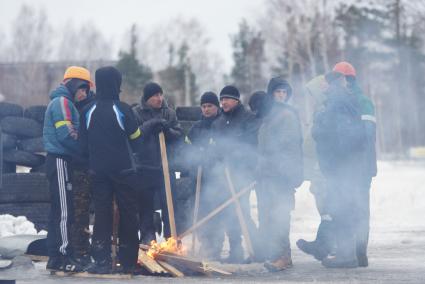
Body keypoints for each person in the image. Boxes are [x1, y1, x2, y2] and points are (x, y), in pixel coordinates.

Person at [79, 66, 142, 274]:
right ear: (117, 84)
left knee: (102, 215)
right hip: (124, 171)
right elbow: (136, 140)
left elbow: (82, 144)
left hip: (98, 172)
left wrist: (93, 163)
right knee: (128, 214)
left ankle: (101, 261)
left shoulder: (87, 110)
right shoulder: (122, 109)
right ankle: (127, 262)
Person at [312, 71, 366, 268]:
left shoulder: (336, 103)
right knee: (344, 208)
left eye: (325, 83)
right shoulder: (348, 100)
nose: (323, 87)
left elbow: (334, 133)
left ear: (332, 83)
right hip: (347, 165)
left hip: (339, 166)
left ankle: (346, 256)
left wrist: (318, 127)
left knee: (340, 209)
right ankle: (347, 254)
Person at [43, 66, 93, 272]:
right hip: (60, 160)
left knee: (57, 211)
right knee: (65, 212)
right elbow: (67, 134)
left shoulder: (64, 102)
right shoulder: (63, 102)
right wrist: (85, 151)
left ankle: (54, 256)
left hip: (60, 161)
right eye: (83, 89)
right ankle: (64, 255)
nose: (84, 94)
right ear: (73, 84)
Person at [255, 78, 304, 272]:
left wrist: (282, 169)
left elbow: (289, 147)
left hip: (282, 175)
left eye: (284, 92)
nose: (282, 95)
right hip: (268, 174)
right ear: (271, 94)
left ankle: (284, 256)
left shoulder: (288, 115)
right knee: (268, 215)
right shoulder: (269, 117)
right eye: (278, 92)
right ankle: (275, 253)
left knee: (280, 216)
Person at [333, 61, 377, 267]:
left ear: (347, 80)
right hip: (357, 166)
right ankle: (358, 253)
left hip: (357, 166)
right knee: (357, 208)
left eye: (338, 78)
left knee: (354, 208)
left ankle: (356, 253)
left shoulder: (361, 102)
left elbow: (367, 135)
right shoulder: (350, 101)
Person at [131, 82, 183, 243]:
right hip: (144, 168)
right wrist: (150, 125)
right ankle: (148, 240)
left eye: (161, 95)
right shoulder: (136, 113)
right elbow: (134, 137)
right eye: (155, 95)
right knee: (145, 207)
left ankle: (172, 239)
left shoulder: (169, 113)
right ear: (147, 98)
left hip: (166, 168)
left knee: (170, 207)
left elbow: (179, 136)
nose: (159, 98)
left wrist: (168, 131)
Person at [211, 85, 258, 263]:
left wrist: (233, 150)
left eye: (227, 99)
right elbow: (216, 146)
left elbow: (251, 143)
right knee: (229, 213)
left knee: (242, 212)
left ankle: (257, 248)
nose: (223, 102)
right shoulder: (219, 122)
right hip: (224, 173)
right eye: (221, 99)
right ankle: (235, 250)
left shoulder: (247, 118)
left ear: (236, 100)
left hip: (242, 172)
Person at [186, 91, 223, 260]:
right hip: (199, 176)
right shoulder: (196, 127)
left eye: (210, 106)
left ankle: (215, 248)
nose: (206, 109)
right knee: (200, 211)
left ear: (216, 107)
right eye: (204, 106)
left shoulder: (222, 124)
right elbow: (187, 147)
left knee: (215, 213)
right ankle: (205, 244)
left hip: (217, 177)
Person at [71, 90, 96, 266]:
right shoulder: (70, 107)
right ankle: (81, 251)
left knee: (103, 211)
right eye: (78, 90)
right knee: (80, 212)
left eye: (84, 91)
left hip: (94, 165)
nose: (81, 94)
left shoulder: (92, 108)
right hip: (80, 167)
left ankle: (100, 250)